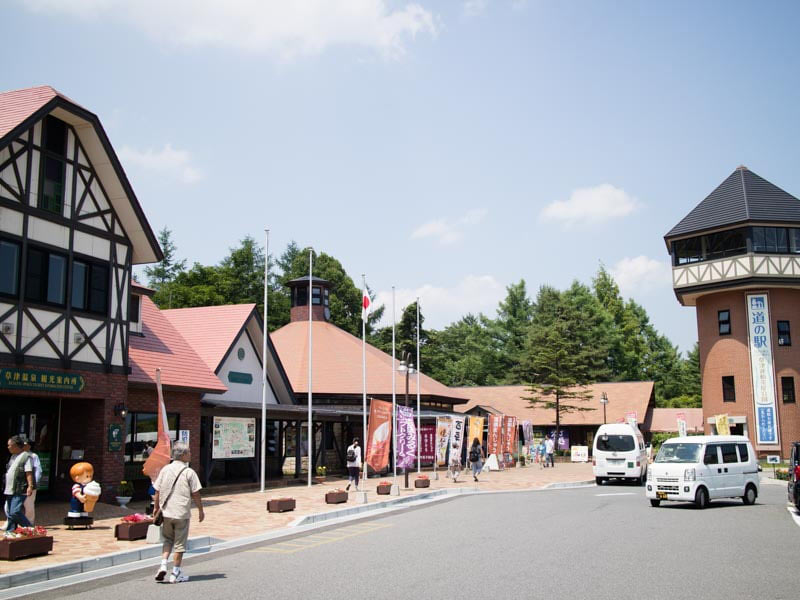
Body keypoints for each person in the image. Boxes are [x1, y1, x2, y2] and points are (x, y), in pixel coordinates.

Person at [153, 443, 204, 584]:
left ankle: (163, 565)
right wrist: (200, 510)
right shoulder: (189, 472)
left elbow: (157, 491)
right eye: (188, 452)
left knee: (167, 540)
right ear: (182, 455)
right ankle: (175, 573)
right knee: (180, 545)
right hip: (181, 513)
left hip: (166, 512)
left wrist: (156, 508)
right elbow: (196, 494)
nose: (190, 454)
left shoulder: (165, 470)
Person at [4, 436, 34, 535]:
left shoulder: (26, 457)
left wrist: (30, 486)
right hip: (9, 489)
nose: (8, 447)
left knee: (15, 511)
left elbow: (28, 472)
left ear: (16, 445)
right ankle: (10, 531)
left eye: (10, 445)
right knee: (10, 513)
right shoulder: (12, 457)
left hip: (19, 488)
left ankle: (30, 528)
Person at [21, 438, 41, 525]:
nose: (23, 446)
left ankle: (29, 522)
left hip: (30, 483)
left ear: (29, 446)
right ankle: (10, 522)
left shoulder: (33, 456)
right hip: (20, 484)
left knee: (29, 504)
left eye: (25, 445)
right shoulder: (18, 455)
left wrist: (34, 482)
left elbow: (38, 470)